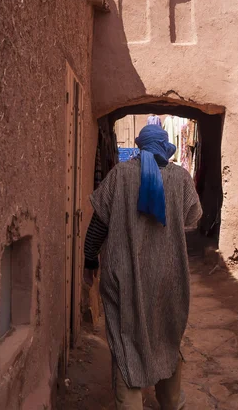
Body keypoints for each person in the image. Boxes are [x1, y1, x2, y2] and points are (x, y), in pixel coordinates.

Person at [84, 124, 202, 410]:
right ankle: (171, 401)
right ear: (164, 147)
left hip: (124, 278)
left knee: (127, 339)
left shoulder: (120, 175)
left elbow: (98, 225)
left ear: (139, 146)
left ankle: (131, 404)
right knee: (166, 337)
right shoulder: (181, 179)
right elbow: (193, 219)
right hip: (168, 280)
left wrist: (89, 260)